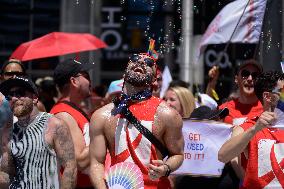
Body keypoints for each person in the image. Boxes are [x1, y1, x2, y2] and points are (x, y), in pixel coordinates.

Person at [89, 52, 184, 189]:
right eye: (135, 58)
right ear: (124, 73)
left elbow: (178, 154)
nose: (140, 62)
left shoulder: (168, 115)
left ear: (154, 80)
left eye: (149, 63)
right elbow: (96, 162)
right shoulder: (101, 115)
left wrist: (166, 168)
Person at [0, 77, 77, 189]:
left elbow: (70, 168)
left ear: (35, 98)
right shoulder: (9, 133)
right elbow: (6, 172)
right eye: (10, 95)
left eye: (20, 93)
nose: (14, 98)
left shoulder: (54, 125)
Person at [218, 71, 284, 189]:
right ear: (268, 97)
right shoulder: (247, 127)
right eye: (283, 91)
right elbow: (223, 156)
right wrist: (254, 129)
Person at [207, 59, 264, 188]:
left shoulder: (267, 111)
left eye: (255, 76)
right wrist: (211, 84)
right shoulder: (224, 109)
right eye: (245, 74)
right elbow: (205, 128)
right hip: (227, 177)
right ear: (236, 79)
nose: (250, 78)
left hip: (259, 176)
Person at [50, 58, 94, 189]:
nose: (90, 81)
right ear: (74, 81)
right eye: (86, 76)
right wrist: (104, 133)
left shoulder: (72, 111)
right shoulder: (63, 115)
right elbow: (80, 161)